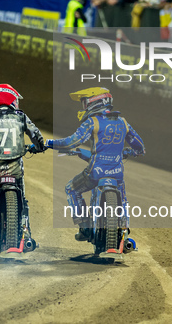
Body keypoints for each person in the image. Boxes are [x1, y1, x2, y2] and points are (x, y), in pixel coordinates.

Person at [45, 87, 145, 241]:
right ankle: (124, 232)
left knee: (71, 189)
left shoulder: (93, 122)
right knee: (123, 198)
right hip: (117, 173)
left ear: (94, 102)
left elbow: (70, 142)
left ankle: (84, 227)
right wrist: (130, 152)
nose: (83, 107)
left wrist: (49, 143)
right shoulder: (123, 122)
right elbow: (139, 146)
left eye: (85, 103)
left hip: (95, 172)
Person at [0, 84, 45, 236]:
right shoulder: (21, 116)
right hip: (15, 169)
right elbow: (36, 135)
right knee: (22, 196)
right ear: (11, 99)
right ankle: (25, 229)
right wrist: (39, 147)